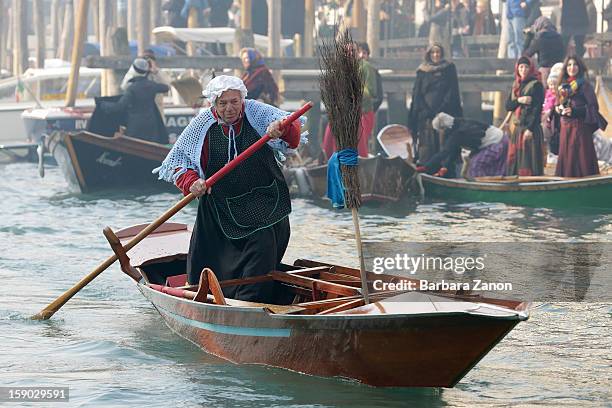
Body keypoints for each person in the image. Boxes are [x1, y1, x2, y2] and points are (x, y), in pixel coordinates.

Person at [154, 75, 303, 303]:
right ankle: (208, 295)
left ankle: (250, 300)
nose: (229, 108)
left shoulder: (258, 113)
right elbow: (178, 164)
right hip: (221, 204)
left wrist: (280, 129)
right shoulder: (201, 126)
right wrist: (192, 182)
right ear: (213, 104)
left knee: (262, 245)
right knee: (207, 257)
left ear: (242, 99)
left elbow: (292, 134)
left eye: (234, 102)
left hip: (264, 198)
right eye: (223, 104)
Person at [408, 43, 463, 167]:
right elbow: (417, 94)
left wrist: (441, 109)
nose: (435, 55)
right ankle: (427, 169)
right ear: (429, 55)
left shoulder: (449, 68)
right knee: (427, 146)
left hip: (445, 112)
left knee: (444, 144)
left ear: (442, 54)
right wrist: (422, 111)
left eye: (438, 52)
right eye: (433, 53)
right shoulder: (422, 71)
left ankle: (445, 171)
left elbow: (453, 91)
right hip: (426, 114)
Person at [322, 42, 378, 158]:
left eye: (353, 51)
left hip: (363, 114)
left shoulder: (365, 67)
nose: (350, 54)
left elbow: (371, 92)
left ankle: (359, 165)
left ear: (358, 53)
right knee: (330, 134)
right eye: (347, 52)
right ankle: (329, 163)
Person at [554, 55, 607, 177]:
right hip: (565, 128)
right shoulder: (562, 86)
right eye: (569, 65)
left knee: (581, 158)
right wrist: (557, 109)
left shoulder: (585, 86)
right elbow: (557, 103)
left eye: (575, 64)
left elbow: (593, 108)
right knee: (566, 158)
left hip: (579, 129)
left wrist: (574, 111)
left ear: (579, 67)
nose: (572, 67)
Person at [101, 58, 169, 144]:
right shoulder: (152, 85)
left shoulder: (132, 89)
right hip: (151, 125)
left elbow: (120, 106)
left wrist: (103, 104)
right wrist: (155, 71)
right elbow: (166, 87)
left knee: (134, 146)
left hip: (135, 126)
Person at [415, 112, 504, 177]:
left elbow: (444, 153)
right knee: (472, 162)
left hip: (497, 142)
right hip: (496, 140)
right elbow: (454, 151)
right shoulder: (458, 124)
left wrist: (425, 167)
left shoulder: (458, 134)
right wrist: (445, 167)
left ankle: (482, 189)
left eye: (440, 131)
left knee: (475, 165)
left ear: (444, 128)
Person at [505, 56, 545, 176]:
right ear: (517, 69)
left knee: (529, 161)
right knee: (516, 161)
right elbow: (508, 106)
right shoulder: (516, 85)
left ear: (531, 68)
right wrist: (519, 100)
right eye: (521, 67)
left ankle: (532, 186)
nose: (523, 69)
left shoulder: (536, 85)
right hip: (518, 129)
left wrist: (530, 129)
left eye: (526, 67)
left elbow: (537, 109)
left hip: (530, 129)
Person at [121, 50, 172, 121]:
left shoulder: (158, 72)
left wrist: (156, 72)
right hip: (139, 112)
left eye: (151, 59)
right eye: (145, 59)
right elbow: (124, 86)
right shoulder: (135, 72)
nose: (148, 62)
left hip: (156, 113)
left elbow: (168, 86)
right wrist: (137, 69)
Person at [522, 16, 564, 85]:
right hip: (558, 69)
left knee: (544, 93)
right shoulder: (559, 37)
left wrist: (529, 36)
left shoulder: (540, 38)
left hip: (545, 71)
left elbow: (526, 55)